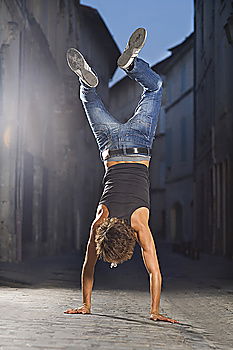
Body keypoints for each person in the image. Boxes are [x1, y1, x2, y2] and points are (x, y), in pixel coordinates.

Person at [64, 28, 179, 324]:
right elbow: (88, 266)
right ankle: (89, 79)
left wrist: (154, 311)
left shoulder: (140, 223)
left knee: (154, 89)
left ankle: (131, 65)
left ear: (128, 239)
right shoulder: (99, 219)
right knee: (90, 100)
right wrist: (85, 304)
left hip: (140, 146)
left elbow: (154, 271)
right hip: (111, 148)